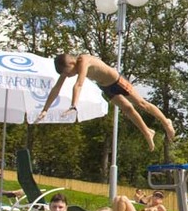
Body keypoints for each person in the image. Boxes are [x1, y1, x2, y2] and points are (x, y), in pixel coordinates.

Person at [36, 53, 176, 152]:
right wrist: (45, 109)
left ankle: (166, 122)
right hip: (106, 87)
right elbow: (56, 89)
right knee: (127, 109)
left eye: (67, 73)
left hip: (117, 81)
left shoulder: (83, 60)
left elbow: (79, 84)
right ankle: (147, 132)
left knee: (141, 103)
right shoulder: (70, 68)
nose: (67, 76)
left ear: (72, 63)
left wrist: (73, 105)